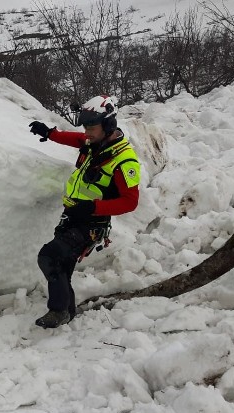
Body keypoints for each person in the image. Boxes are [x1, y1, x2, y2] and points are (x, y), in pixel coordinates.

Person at [28, 95, 141, 329]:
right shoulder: (94, 142)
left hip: (91, 223)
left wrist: (93, 207)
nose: (87, 133)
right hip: (73, 215)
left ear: (108, 125)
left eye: (92, 127)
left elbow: (130, 202)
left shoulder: (123, 160)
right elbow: (76, 138)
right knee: (63, 266)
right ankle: (67, 312)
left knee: (49, 257)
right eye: (86, 127)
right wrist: (49, 133)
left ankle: (58, 311)